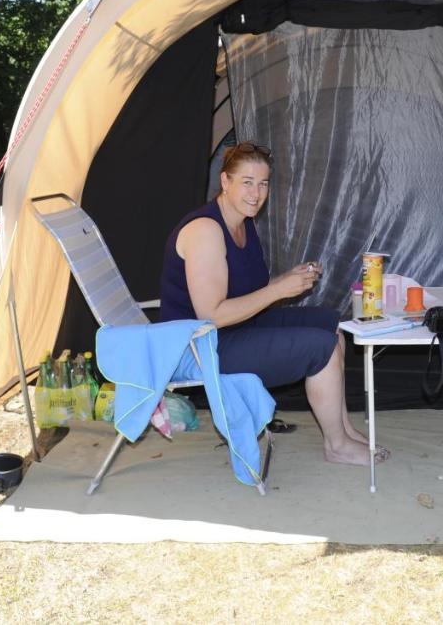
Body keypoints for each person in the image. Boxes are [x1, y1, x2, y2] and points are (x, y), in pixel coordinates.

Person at [159, 141, 386, 466]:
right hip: (200, 346)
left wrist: (286, 280)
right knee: (319, 347)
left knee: (331, 325)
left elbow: (245, 289)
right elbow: (211, 315)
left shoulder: (242, 221)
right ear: (225, 181)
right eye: (246, 182)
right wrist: (278, 292)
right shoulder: (205, 231)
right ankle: (336, 446)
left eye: (263, 183)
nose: (256, 193)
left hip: (234, 328)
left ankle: (344, 429)